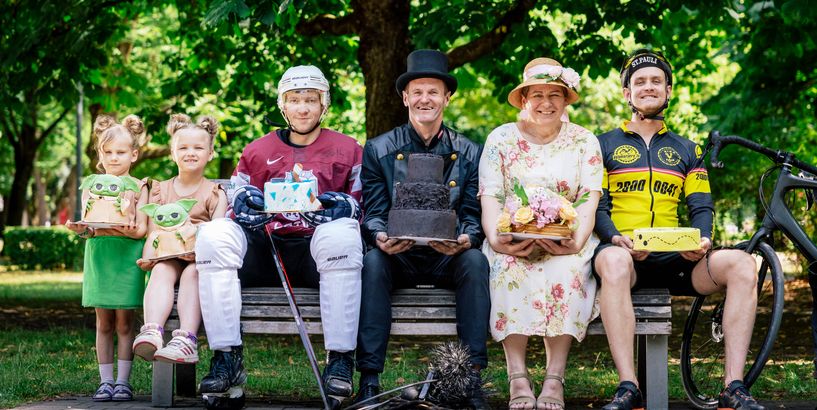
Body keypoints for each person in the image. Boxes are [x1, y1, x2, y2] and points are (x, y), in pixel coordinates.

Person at [593, 49, 764, 410]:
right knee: (612, 262)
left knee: (744, 264)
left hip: (678, 258)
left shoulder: (688, 148)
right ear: (627, 93)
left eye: (657, 81)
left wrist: (702, 243)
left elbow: (701, 206)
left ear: (668, 90)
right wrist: (614, 240)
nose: (648, 86)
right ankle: (629, 387)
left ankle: (733, 386)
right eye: (640, 82)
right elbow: (598, 207)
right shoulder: (602, 145)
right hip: (626, 257)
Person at [194, 65, 364, 403]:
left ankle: (340, 361)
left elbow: (365, 207)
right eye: (295, 99)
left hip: (317, 254)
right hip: (267, 247)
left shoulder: (349, 149)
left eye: (311, 100)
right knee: (213, 236)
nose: (303, 107)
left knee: (343, 234)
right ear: (282, 105)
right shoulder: (257, 150)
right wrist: (243, 205)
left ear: (324, 104)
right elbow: (233, 206)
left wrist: (345, 207)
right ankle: (227, 358)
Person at [355, 49, 490, 408]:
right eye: (417, 91)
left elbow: (473, 212)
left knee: (476, 263)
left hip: (446, 256)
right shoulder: (378, 148)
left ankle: (471, 379)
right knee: (372, 262)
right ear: (405, 98)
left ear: (447, 97)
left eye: (433, 91)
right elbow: (375, 211)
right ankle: (369, 379)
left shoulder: (471, 152)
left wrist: (467, 237)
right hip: (399, 255)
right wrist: (379, 237)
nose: (424, 99)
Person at [479, 57, 603, 410]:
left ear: (566, 100)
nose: (546, 102)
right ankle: (517, 375)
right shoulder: (500, 138)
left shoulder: (584, 140)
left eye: (555, 94)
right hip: (511, 236)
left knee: (569, 270)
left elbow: (588, 199)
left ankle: (554, 378)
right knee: (505, 269)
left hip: (569, 237)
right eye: (537, 94)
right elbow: (491, 196)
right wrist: (495, 239)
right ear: (523, 99)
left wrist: (575, 242)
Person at [65, 114, 150, 402]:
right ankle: (105, 381)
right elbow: (90, 227)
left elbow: (140, 231)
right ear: (100, 154)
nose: (114, 158)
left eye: (121, 152)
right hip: (100, 258)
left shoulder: (141, 187)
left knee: (125, 322)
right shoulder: (90, 184)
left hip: (127, 259)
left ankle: (124, 381)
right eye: (108, 152)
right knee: (103, 323)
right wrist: (81, 231)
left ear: (134, 154)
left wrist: (117, 228)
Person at [132, 114, 227, 364]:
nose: (190, 152)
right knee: (162, 270)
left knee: (193, 273)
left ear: (210, 153)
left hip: (200, 258)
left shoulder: (215, 193)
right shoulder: (160, 190)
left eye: (198, 147)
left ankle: (186, 340)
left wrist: (198, 254)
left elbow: (219, 235)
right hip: (169, 255)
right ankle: (151, 331)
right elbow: (154, 233)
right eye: (183, 147)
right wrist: (149, 259)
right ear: (172, 153)